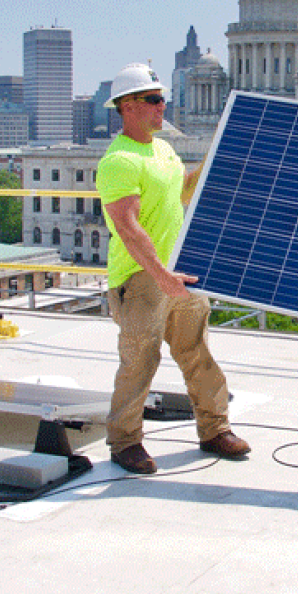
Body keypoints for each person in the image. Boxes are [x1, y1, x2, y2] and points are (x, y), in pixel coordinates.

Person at [96, 62, 250, 474]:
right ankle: (125, 442)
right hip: (142, 278)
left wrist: (217, 155)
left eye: (162, 97)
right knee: (139, 362)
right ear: (127, 107)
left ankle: (214, 430)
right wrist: (162, 275)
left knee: (196, 352)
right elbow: (127, 227)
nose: (162, 105)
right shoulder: (119, 160)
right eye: (152, 99)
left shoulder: (161, 149)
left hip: (179, 271)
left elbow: (182, 190)